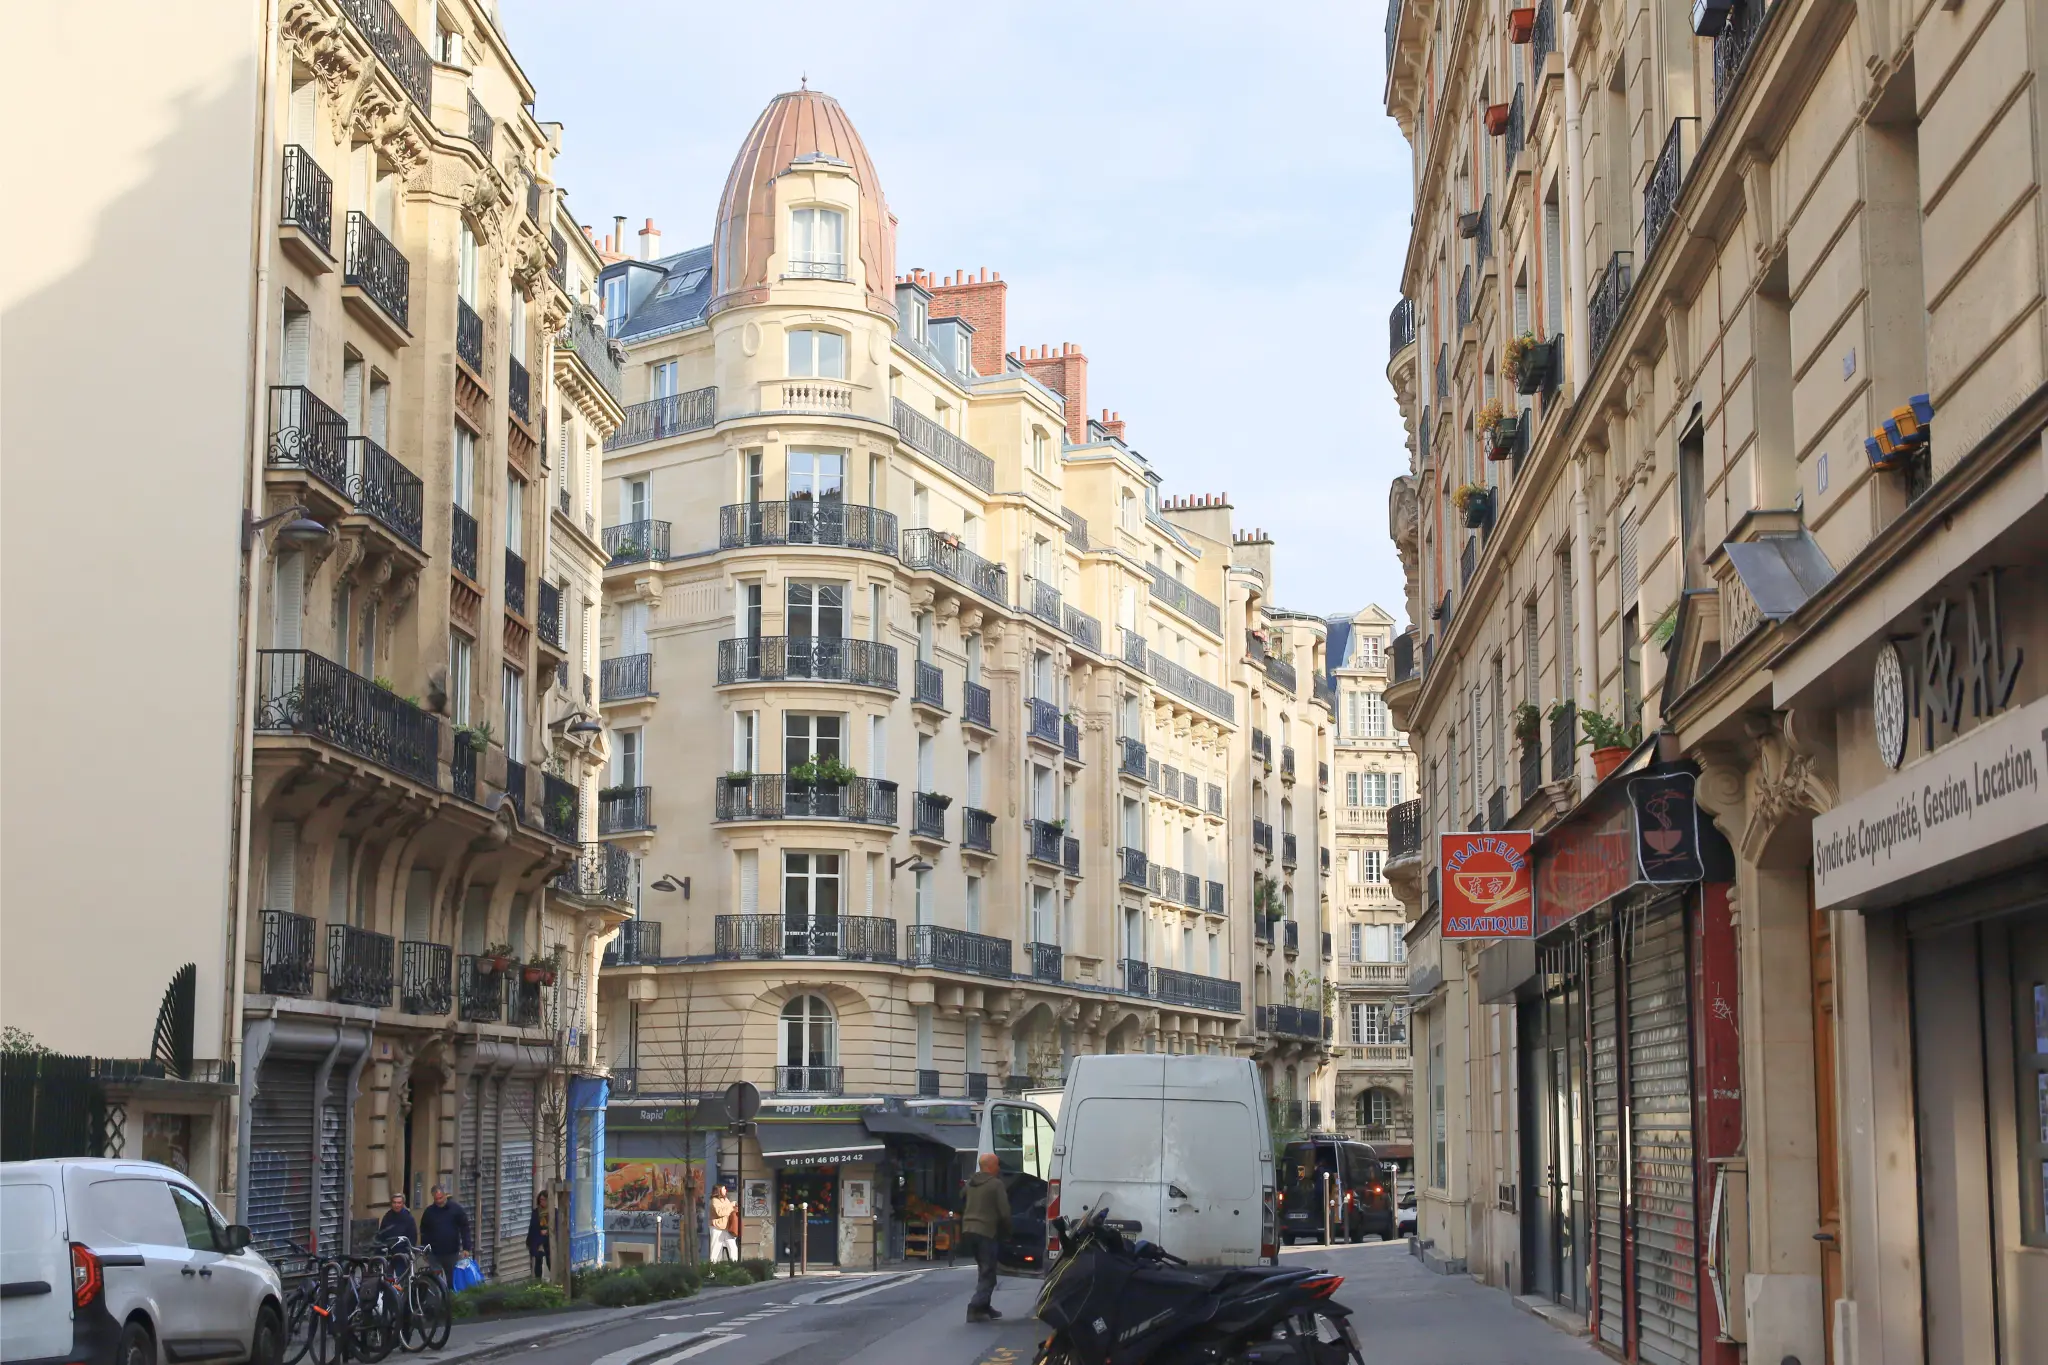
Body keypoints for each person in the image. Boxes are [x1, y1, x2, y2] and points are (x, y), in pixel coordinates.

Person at [960, 1153, 1011, 1323]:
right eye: (997, 1165)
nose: (999, 1168)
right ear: (990, 1166)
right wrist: (1008, 1232)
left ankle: (984, 1306)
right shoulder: (996, 1185)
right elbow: (1004, 1212)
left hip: (968, 1229)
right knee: (988, 1271)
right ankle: (975, 1308)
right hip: (986, 1231)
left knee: (983, 1268)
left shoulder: (970, 1183)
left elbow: (960, 1200)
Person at [418, 1184, 473, 1284]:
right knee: (435, 1281)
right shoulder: (429, 1212)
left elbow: (465, 1228)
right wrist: (424, 1250)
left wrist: (466, 1247)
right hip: (434, 1253)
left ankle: (451, 1298)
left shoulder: (456, 1209)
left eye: (440, 1198)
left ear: (445, 1195)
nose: (439, 1201)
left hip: (451, 1253)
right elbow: (424, 1232)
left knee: (452, 1280)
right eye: (436, 1199)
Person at [707, 1185, 739, 1263]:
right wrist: (731, 1205)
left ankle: (735, 1266)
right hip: (717, 1227)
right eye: (724, 1189)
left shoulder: (726, 1199)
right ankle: (712, 1270)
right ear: (719, 1190)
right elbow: (720, 1213)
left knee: (733, 1247)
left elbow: (729, 1210)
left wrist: (734, 1208)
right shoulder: (714, 1200)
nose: (726, 1190)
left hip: (726, 1228)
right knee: (716, 1250)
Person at [525, 1193, 550, 1282]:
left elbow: (557, 1226)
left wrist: (548, 1231)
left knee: (550, 1261)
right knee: (538, 1261)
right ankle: (538, 1281)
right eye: (541, 1200)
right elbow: (532, 1227)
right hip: (538, 1241)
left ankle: (555, 1282)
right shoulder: (536, 1212)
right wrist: (529, 1241)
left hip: (549, 1241)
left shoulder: (553, 1212)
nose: (542, 1202)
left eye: (544, 1200)